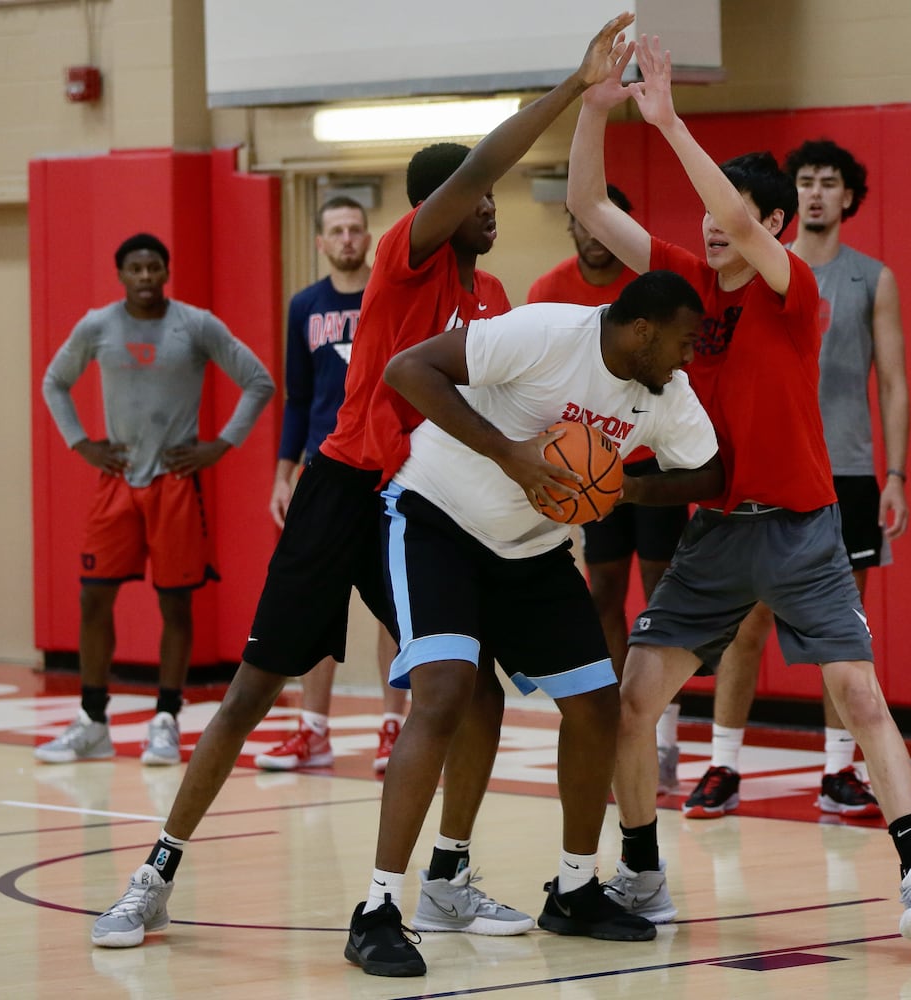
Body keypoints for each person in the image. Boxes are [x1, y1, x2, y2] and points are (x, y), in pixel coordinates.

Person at [86, 11, 638, 953]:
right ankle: (155, 872)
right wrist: (573, 91)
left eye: (496, 203)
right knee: (254, 690)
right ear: (440, 210)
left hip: (429, 510)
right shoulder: (403, 256)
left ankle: (448, 880)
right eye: (479, 199)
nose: (493, 209)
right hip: (346, 492)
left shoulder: (493, 301)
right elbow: (475, 171)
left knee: (470, 691)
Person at [567, 37, 911, 952]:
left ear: (776, 223)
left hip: (801, 529)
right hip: (713, 532)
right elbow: (588, 204)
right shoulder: (684, 288)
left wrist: (664, 120)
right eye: (713, 212)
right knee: (634, 700)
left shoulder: (797, 288)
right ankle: (643, 870)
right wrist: (594, 110)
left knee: (861, 696)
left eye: (737, 211)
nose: (714, 225)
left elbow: (739, 229)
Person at [352, 270, 721, 977]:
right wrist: (507, 452)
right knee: (444, 696)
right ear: (641, 331)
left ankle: (576, 889)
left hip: (535, 549)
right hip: (437, 521)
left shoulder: (665, 392)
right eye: (681, 341)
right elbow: (409, 369)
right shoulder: (545, 333)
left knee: (595, 705)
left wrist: (626, 486)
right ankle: (377, 910)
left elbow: (706, 474)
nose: (688, 357)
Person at [677, 138, 910, 821]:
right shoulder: (748, 269)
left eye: (827, 182)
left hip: (845, 470)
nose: (814, 192)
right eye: (803, 180)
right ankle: (723, 762)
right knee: (745, 625)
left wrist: (895, 471)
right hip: (760, 474)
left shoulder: (872, 278)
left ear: (848, 196)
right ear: (785, 204)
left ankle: (841, 771)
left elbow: (892, 382)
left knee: (843, 635)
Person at [36, 233, 274, 767]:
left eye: (153, 267)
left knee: (175, 604)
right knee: (92, 599)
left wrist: (219, 445)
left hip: (173, 484)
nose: (145, 277)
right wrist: (81, 442)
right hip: (117, 484)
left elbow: (258, 381)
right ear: (120, 274)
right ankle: (92, 720)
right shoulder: (98, 325)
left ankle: (165, 718)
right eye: (135, 269)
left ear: (166, 271)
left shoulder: (195, 325)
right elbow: (55, 381)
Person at [527, 186, 691, 795]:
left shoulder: (649, 289)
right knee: (603, 594)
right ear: (571, 226)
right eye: (583, 223)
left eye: (607, 224)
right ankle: (620, 723)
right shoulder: (548, 290)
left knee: (660, 597)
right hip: (584, 465)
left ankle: (667, 735)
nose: (594, 234)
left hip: (649, 462)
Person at [255, 196, 405, 774]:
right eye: (336, 231)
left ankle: (393, 727)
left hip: (388, 467)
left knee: (395, 602)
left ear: (369, 237)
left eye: (355, 229)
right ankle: (312, 731)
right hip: (324, 471)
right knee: (320, 600)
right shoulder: (304, 306)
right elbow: (296, 398)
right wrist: (283, 471)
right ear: (319, 242)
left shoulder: (388, 294)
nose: (347, 238)